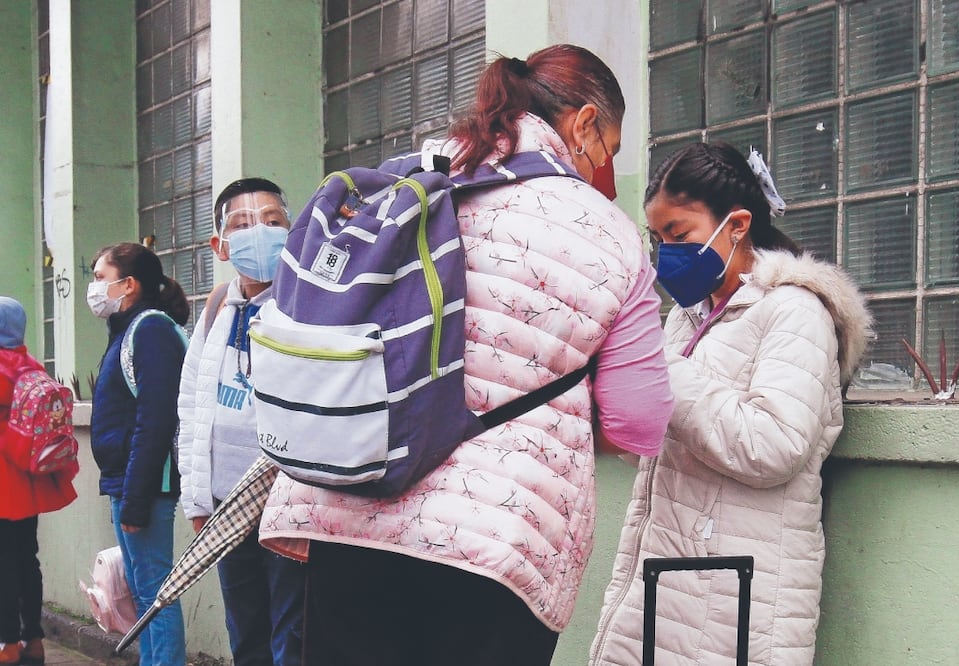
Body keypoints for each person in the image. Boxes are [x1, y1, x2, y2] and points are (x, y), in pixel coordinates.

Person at [258, 44, 674, 665]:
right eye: (608, 148)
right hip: (497, 542)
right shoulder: (608, 233)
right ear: (584, 123)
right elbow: (637, 422)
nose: (605, 166)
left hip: (347, 514)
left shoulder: (398, 182)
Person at [590, 142, 874, 666]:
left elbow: (774, 446)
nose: (666, 252)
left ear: (737, 225)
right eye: (658, 238)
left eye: (679, 235)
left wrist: (661, 369)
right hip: (670, 574)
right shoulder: (689, 316)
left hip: (735, 595)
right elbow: (664, 442)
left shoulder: (794, 312)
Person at [177, 178, 304, 666]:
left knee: (293, 635)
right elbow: (192, 407)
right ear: (221, 245)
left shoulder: (308, 302)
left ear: (292, 232)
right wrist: (197, 499)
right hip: (226, 507)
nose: (261, 232)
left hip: (287, 503)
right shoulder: (216, 309)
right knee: (246, 633)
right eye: (243, 224)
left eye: (273, 221)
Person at [88, 243, 189, 666]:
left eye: (100, 278)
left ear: (128, 284)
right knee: (145, 597)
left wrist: (136, 497)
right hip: (126, 481)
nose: (94, 288)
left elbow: (156, 419)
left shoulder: (150, 330)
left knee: (155, 596)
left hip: (146, 484)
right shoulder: (128, 330)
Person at [0, 297, 77, 666]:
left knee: (2, 562)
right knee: (27, 558)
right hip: (28, 475)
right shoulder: (30, 365)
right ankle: (33, 639)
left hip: (3, 476)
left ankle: (7, 644)